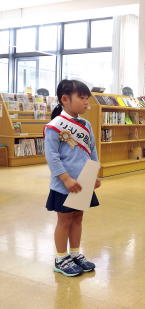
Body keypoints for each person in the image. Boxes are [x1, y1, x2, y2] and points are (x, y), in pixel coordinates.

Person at [44, 79, 101, 277]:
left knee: (78, 218)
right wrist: (66, 178)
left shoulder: (86, 124)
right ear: (65, 99)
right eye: (82, 98)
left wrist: (94, 173)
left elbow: (92, 150)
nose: (86, 103)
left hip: (83, 181)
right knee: (65, 220)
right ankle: (61, 258)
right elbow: (52, 156)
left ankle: (75, 254)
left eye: (87, 99)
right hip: (64, 185)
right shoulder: (54, 126)